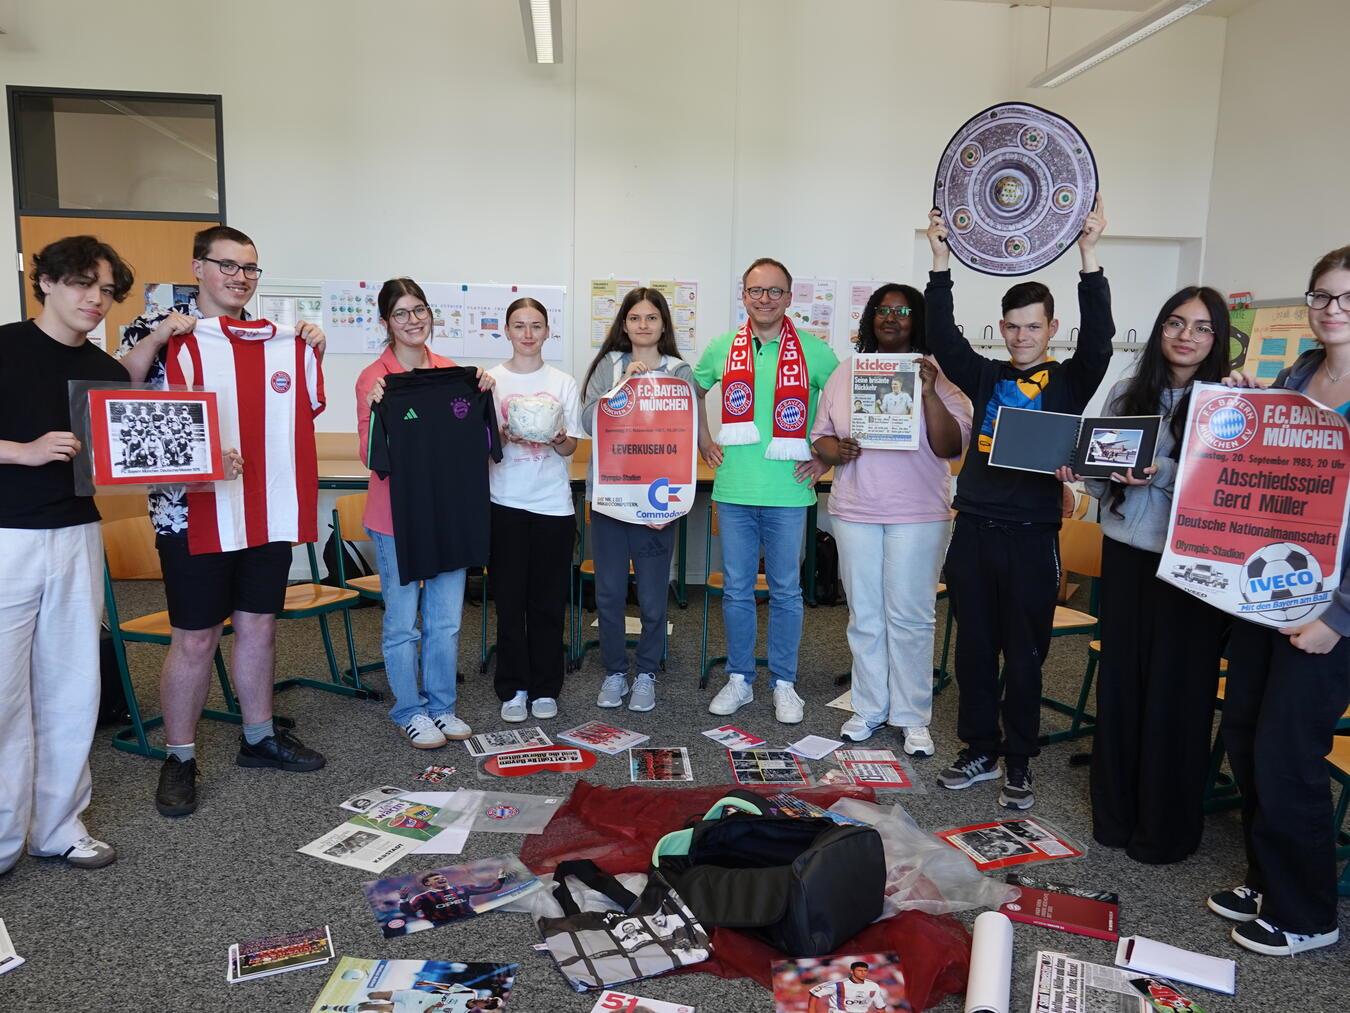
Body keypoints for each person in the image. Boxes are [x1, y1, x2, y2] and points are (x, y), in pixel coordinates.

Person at [119, 225, 329, 818]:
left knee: (260, 626)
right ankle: (179, 755)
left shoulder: (285, 341)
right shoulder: (158, 328)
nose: (240, 277)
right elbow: (119, 391)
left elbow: (303, 406)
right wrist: (164, 334)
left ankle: (259, 737)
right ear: (198, 268)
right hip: (190, 510)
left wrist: (310, 346)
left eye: (250, 268)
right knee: (195, 637)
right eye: (228, 265)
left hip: (265, 506)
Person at [925, 199, 1113, 810]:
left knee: (1026, 656)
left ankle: (1020, 759)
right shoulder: (982, 377)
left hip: (1033, 536)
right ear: (1001, 329)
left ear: (1051, 328)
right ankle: (979, 747)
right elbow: (941, 335)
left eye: (1034, 326)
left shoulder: (1071, 380)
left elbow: (1103, 340)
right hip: (976, 530)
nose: (1023, 336)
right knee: (975, 647)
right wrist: (939, 258)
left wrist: (1089, 255)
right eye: (1013, 326)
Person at [1206, 246, 1350, 956]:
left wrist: (1339, 616)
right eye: (1322, 296)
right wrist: (1245, 401)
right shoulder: (1298, 372)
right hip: (1266, 590)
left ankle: (1308, 912)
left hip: (1329, 611)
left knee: (1289, 752)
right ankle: (1269, 879)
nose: (1333, 310)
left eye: (1347, 299)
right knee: (1245, 735)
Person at [1055, 288, 1231, 864]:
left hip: (1193, 566)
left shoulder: (1230, 404)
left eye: (1202, 328)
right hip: (1128, 556)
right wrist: (1083, 469)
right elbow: (1102, 479)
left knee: (1178, 695)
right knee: (1124, 685)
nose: (1186, 336)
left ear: (1217, 339)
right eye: (1176, 323)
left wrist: (1159, 472)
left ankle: (1165, 830)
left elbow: (1225, 484)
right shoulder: (1128, 393)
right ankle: (1115, 815)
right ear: (1160, 330)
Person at [0, 235, 135, 873]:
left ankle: (58, 825)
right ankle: (3, 837)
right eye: (83, 283)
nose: (95, 300)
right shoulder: (4, 346)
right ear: (47, 282)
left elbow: (124, 459)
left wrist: (200, 460)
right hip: (8, 537)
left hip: (77, 533)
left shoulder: (106, 373)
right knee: (4, 691)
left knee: (72, 685)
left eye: (106, 289)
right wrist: (19, 450)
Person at [811, 284, 970, 757]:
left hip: (918, 513)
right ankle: (868, 708)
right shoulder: (846, 373)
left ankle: (912, 716)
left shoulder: (943, 375)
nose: (891, 318)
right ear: (870, 319)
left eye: (902, 311)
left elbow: (950, 446)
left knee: (911, 616)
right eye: (883, 310)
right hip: (856, 509)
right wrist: (833, 450)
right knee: (865, 616)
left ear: (917, 320)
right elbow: (821, 437)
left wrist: (927, 391)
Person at [695, 258, 839, 724]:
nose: (764, 299)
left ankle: (783, 683)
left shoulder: (815, 352)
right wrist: (703, 439)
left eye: (774, 291)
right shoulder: (721, 348)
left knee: (786, 592)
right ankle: (739, 678)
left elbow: (843, 408)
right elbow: (688, 390)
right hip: (734, 489)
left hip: (789, 493)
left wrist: (824, 458)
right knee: (736, 590)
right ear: (743, 295)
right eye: (756, 290)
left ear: (789, 298)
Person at [357, 277, 495, 749]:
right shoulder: (375, 379)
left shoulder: (451, 373)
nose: (413, 320)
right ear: (385, 322)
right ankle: (409, 710)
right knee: (402, 621)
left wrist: (483, 393)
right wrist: (378, 410)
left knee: (446, 619)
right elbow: (368, 455)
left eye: (420, 311)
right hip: (396, 520)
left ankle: (442, 706)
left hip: (446, 513)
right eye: (401, 313)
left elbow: (476, 444)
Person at [581, 288, 700, 712]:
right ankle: (615, 672)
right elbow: (587, 421)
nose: (644, 325)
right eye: (635, 318)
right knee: (610, 593)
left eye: (652, 318)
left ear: (664, 324)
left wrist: (669, 505)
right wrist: (623, 387)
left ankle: (646, 671)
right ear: (624, 324)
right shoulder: (608, 366)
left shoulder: (680, 372)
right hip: (612, 496)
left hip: (658, 502)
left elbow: (683, 439)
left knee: (652, 595)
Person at [488, 297, 582, 722]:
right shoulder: (489, 382)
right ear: (506, 331)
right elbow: (483, 449)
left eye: (536, 326)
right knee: (509, 601)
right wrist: (503, 437)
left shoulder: (563, 382)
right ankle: (514, 687)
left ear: (547, 332)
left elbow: (570, 447)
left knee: (547, 602)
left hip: (552, 506)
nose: (528, 334)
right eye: (519, 325)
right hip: (504, 503)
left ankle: (546, 687)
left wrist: (557, 437)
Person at [807, 960, 888, 1011]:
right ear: (852, 971)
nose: (863, 973)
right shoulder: (839, 984)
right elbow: (815, 992)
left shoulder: (873, 986)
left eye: (865, 971)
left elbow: (880, 1007)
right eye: (859, 971)